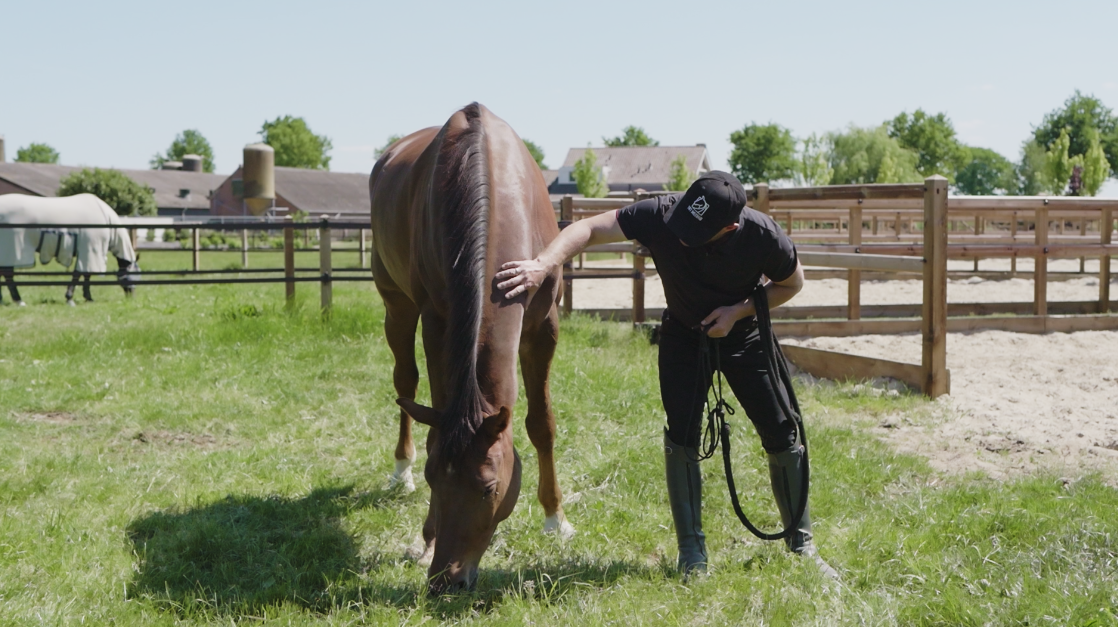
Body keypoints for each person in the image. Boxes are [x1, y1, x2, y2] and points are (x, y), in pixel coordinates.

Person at [495, 171, 837, 578]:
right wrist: (542, 264)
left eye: (695, 232)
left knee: (782, 429)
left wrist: (738, 311)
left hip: (744, 336)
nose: (681, 236)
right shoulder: (663, 213)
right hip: (683, 336)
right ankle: (692, 553)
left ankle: (802, 542)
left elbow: (792, 283)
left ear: (730, 226)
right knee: (682, 434)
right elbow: (587, 228)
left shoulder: (763, 235)